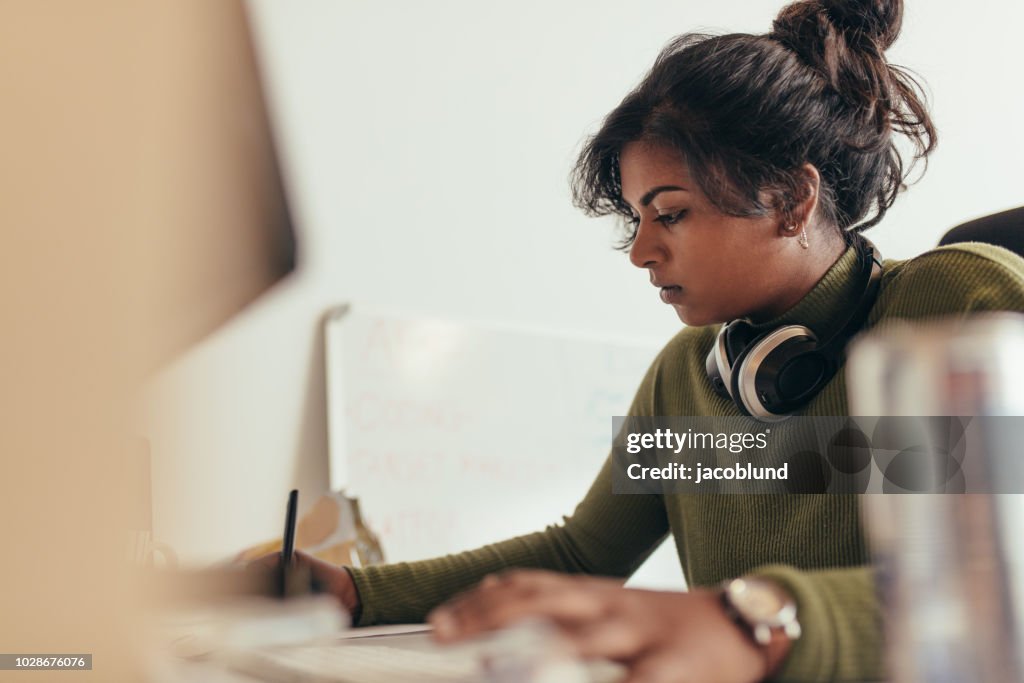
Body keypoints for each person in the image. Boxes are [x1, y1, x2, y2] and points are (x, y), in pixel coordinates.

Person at [260, 0, 1024, 680]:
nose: (641, 252)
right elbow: (582, 554)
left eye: (673, 213)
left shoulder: (957, 302)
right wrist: (354, 590)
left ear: (792, 198)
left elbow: (998, 584)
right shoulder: (691, 375)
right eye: (638, 218)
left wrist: (751, 621)